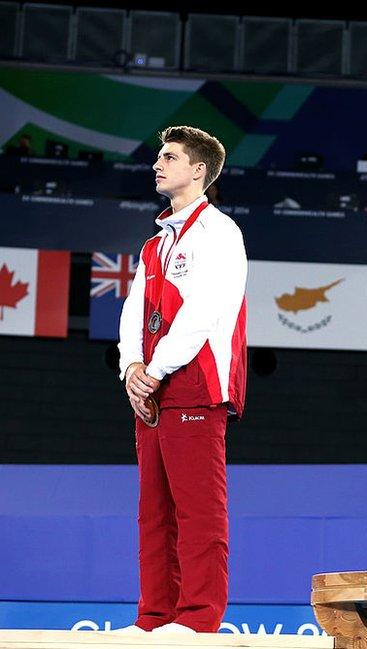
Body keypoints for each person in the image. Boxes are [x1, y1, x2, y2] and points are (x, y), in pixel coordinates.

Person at [116, 125, 248, 633]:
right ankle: (154, 616)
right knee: (154, 511)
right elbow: (133, 311)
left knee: (198, 509)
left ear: (198, 171)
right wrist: (131, 367)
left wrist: (155, 368)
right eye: (157, 157)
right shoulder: (154, 245)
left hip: (194, 380)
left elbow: (206, 312)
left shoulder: (220, 232)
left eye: (169, 157)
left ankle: (197, 618)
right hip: (151, 385)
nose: (157, 164)